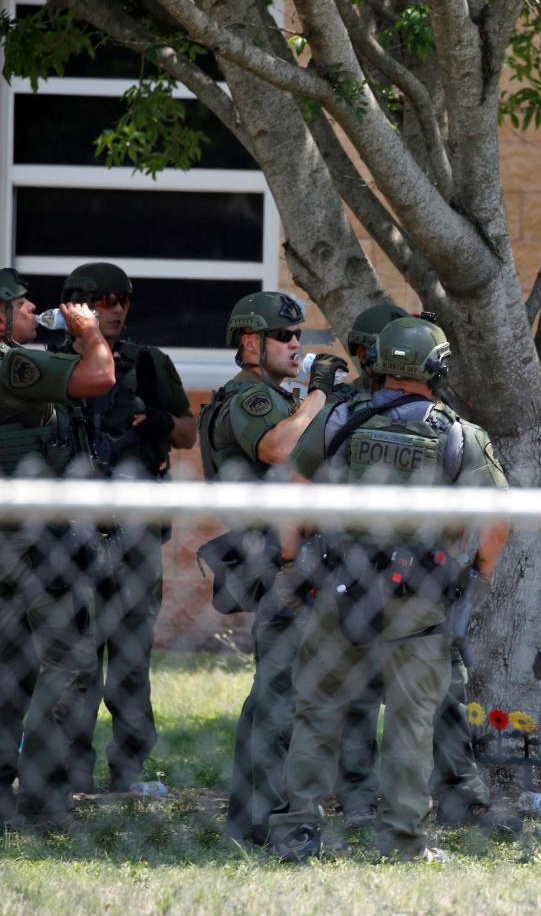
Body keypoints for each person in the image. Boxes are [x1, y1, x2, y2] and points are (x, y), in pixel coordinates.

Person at [267, 314, 509, 862]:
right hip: (419, 596)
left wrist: (289, 562)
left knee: (318, 711)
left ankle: (297, 831)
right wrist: (480, 574)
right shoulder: (456, 434)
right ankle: (402, 841)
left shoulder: (337, 417)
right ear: (437, 366)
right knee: (411, 719)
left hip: (339, 584)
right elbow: (498, 517)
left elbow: (295, 493)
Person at [0, 268, 115, 832]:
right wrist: (88, 333)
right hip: (40, 541)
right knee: (69, 660)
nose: (33, 307)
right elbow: (99, 377)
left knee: (6, 665)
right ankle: (43, 800)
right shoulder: (10, 363)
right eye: (20, 304)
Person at [198, 291, 345, 845]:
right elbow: (283, 447)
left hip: (293, 556)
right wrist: (319, 395)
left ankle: (254, 817)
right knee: (282, 695)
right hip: (277, 560)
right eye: (283, 336)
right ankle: (266, 821)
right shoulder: (249, 398)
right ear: (250, 343)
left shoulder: (276, 395)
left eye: (297, 336)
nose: (294, 344)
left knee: (275, 692)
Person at [59, 262, 196, 794]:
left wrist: (162, 423)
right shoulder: (48, 365)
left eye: (122, 299)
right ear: (76, 306)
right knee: (75, 657)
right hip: (71, 533)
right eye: (102, 300)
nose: (115, 308)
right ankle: (71, 772)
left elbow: (186, 432)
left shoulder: (148, 363)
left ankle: (129, 772)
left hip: (135, 531)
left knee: (131, 658)